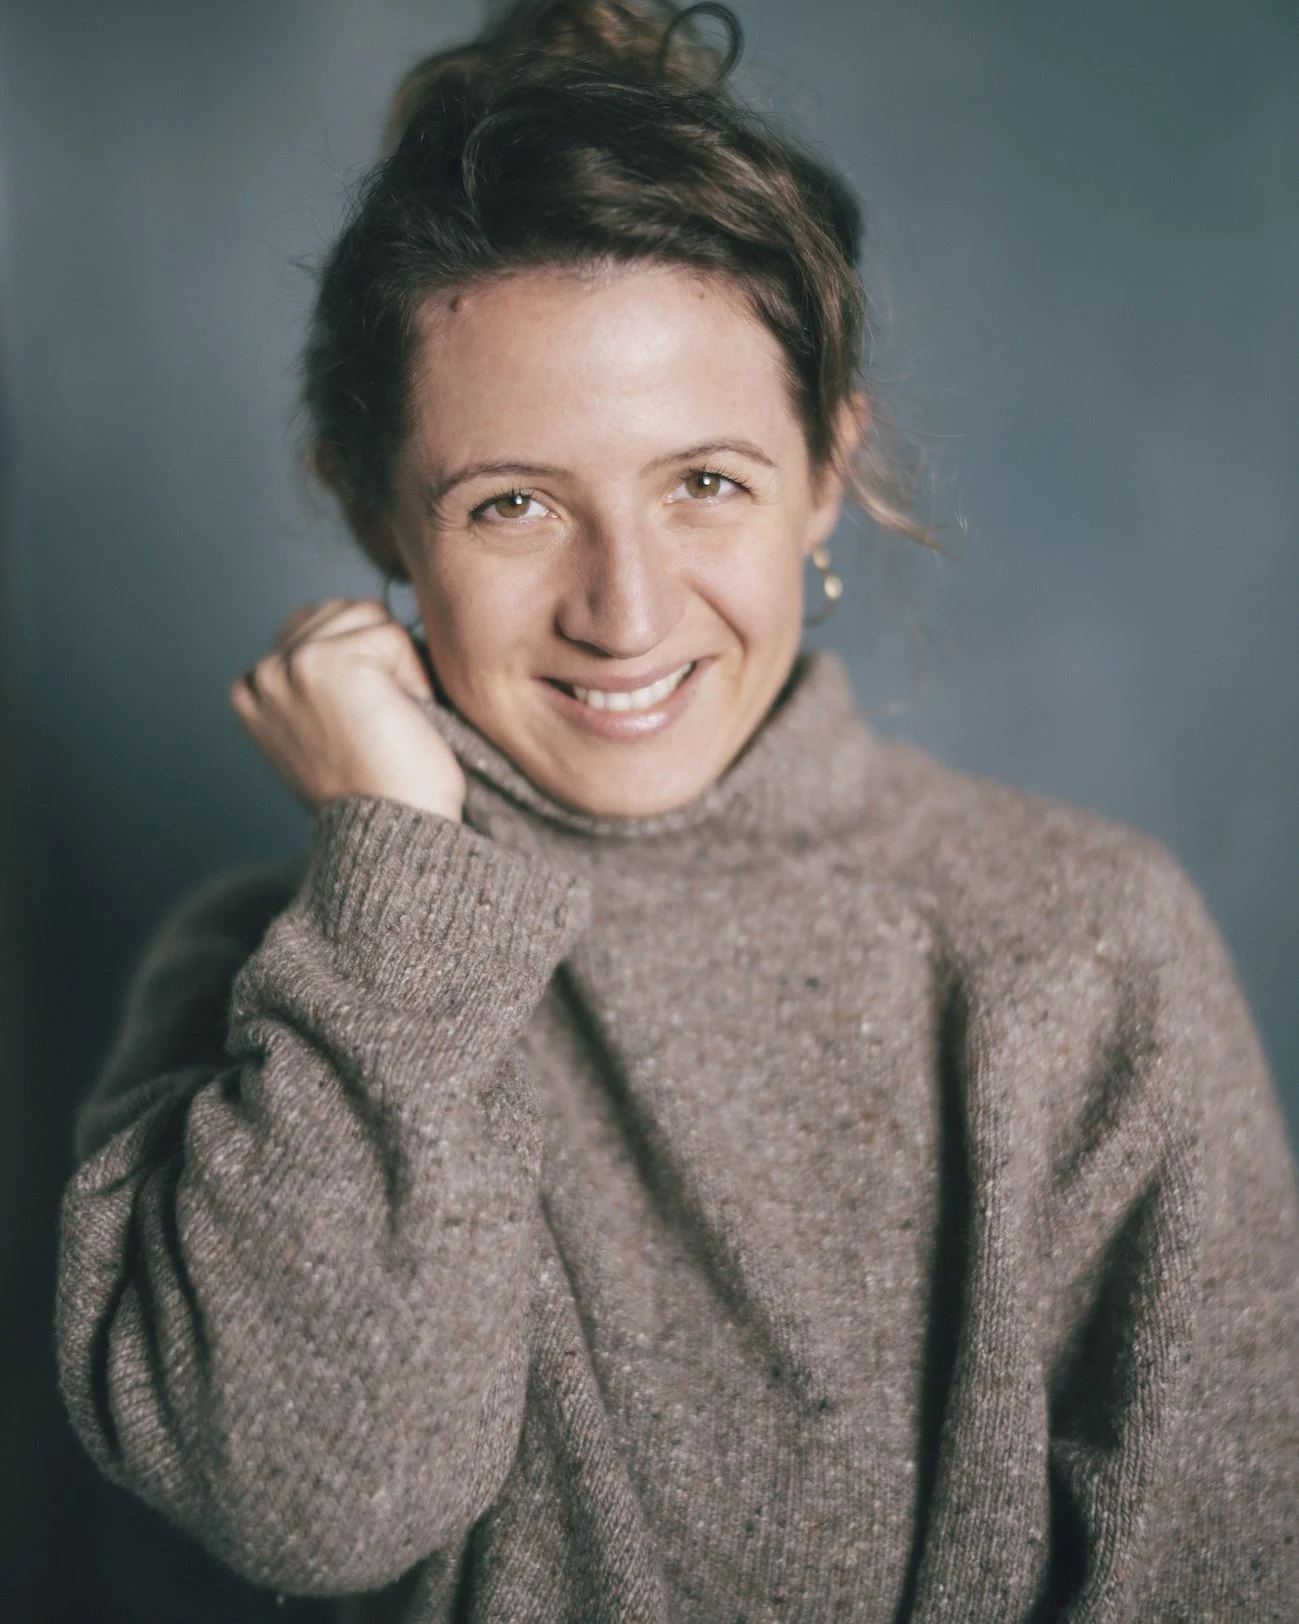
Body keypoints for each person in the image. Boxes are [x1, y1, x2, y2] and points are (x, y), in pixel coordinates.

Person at [55, 2, 1298, 1619]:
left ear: (824, 472)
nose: (625, 611)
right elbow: (313, 1508)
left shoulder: (1073, 941)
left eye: (703, 481)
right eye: (512, 505)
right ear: (371, 511)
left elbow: (1224, 1567)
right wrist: (398, 902)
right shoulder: (275, 979)